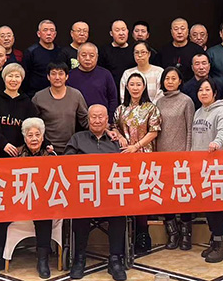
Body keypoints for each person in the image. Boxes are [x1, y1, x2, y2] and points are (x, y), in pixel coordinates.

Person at [0, 62, 41, 275]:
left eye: (17, 76)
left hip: (19, 165)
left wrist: (25, 145)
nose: (13, 80)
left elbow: (35, 129)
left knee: (14, 207)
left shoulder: (27, 103)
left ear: (22, 80)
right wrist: (3, 144)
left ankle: (12, 252)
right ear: (4, 78)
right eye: (10, 76)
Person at [65, 105, 127, 281]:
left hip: (111, 195)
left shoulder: (116, 141)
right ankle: (79, 258)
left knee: (120, 211)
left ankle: (115, 259)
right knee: (79, 211)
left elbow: (127, 166)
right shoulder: (77, 139)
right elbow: (67, 164)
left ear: (107, 120)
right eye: (93, 117)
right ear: (88, 119)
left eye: (101, 117)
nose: (97, 120)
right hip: (85, 194)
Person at [113, 72, 162, 254]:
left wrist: (137, 146)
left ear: (144, 87)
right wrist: (119, 137)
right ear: (127, 87)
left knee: (143, 196)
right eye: (132, 84)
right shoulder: (120, 109)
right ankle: (127, 233)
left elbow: (154, 131)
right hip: (124, 157)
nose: (135, 88)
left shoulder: (151, 108)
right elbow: (114, 127)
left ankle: (143, 233)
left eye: (138, 84)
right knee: (127, 195)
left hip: (145, 156)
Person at [191, 78, 223, 264]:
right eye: (201, 90)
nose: (204, 93)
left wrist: (217, 142)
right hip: (202, 166)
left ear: (215, 93)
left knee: (216, 206)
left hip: (218, 166)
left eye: (207, 90)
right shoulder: (198, 111)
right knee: (207, 206)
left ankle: (221, 245)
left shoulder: (221, 111)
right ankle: (214, 242)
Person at [155, 67, 195, 251]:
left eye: (173, 78)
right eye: (167, 78)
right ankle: (172, 232)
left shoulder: (186, 101)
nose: (170, 82)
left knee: (183, 195)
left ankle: (186, 233)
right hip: (162, 155)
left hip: (181, 156)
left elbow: (190, 129)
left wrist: (188, 153)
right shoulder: (159, 102)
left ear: (180, 81)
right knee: (166, 195)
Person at [16, 117, 56, 279]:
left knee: (43, 212)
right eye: (30, 135)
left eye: (37, 135)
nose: (34, 139)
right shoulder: (16, 154)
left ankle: (43, 260)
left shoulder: (51, 155)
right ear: (24, 138)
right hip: (21, 200)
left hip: (43, 202)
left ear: (43, 137)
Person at [32, 62, 89, 154]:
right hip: (46, 149)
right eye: (53, 74)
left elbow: (85, 120)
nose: (57, 77)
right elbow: (33, 125)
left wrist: (105, 130)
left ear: (67, 76)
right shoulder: (38, 97)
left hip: (71, 147)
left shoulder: (76, 95)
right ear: (48, 77)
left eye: (61, 74)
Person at [67, 43, 119, 120]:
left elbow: (113, 99)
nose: (87, 58)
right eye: (84, 55)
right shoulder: (70, 76)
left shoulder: (105, 74)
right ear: (78, 57)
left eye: (91, 56)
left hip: (100, 121)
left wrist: (109, 120)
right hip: (76, 121)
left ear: (97, 57)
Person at [23, 20, 62, 98]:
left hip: (56, 95)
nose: (49, 33)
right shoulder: (31, 52)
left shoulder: (60, 52)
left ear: (55, 34)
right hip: (35, 95)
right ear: (39, 34)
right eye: (45, 30)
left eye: (51, 30)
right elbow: (25, 76)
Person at [99, 19, 136, 89]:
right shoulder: (104, 50)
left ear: (127, 31)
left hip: (132, 90)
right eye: (117, 30)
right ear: (111, 33)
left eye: (123, 30)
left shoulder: (134, 50)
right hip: (110, 89)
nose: (121, 33)